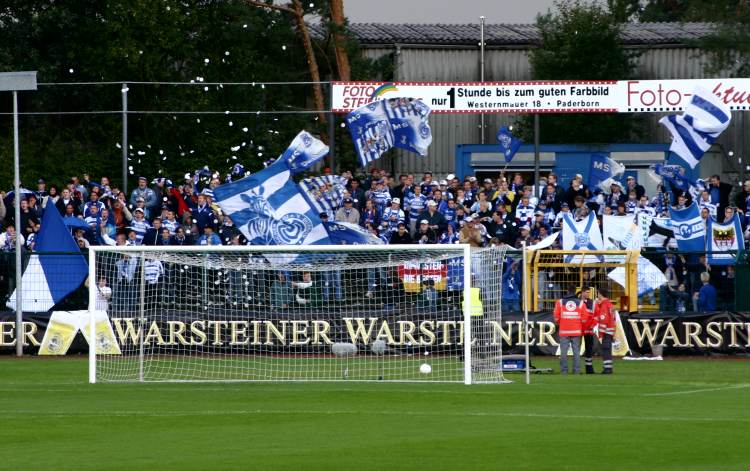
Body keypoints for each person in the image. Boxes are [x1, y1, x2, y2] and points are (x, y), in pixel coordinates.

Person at [553, 286, 590, 375]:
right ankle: (576, 371)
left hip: (564, 330)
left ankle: (564, 371)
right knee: (576, 351)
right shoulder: (581, 303)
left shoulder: (560, 302)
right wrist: (580, 323)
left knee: (563, 352)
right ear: (575, 292)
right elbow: (585, 317)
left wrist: (560, 322)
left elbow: (556, 316)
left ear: (567, 291)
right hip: (576, 331)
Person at [594, 286, 616, 374]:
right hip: (610, 331)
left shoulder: (604, 305)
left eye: (597, 293)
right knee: (608, 349)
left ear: (600, 294)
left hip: (606, 331)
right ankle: (608, 367)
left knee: (606, 349)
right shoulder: (609, 304)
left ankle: (607, 369)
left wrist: (601, 333)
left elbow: (604, 319)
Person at [580, 287, 598, 374]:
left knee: (589, 349)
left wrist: (593, 325)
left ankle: (589, 368)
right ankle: (577, 368)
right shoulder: (577, 302)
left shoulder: (592, 303)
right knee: (576, 349)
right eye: (586, 292)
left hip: (589, 329)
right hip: (579, 329)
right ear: (582, 292)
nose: (588, 294)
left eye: (589, 292)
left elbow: (596, 316)